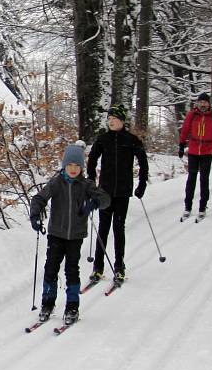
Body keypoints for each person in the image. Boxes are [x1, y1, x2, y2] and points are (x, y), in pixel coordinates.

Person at [30, 143, 110, 325]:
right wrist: (35, 215)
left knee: (71, 271)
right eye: (70, 165)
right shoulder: (56, 183)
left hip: (76, 236)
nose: (73, 169)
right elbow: (39, 198)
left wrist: (94, 203)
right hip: (56, 234)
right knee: (51, 268)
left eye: (77, 166)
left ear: (81, 167)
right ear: (64, 166)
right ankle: (47, 303)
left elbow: (105, 199)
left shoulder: (86, 184)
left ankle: (72, 306)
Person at [86, 105, 149, 286]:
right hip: (104, 191)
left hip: (122, 191)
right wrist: (91, 181)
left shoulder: (131, 140)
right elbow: (92, 159)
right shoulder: (103, 139)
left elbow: (143, 163)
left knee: (118, 229)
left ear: (122, 121)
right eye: (109, 118)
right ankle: (98, 268)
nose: (111, 121)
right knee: (103, 229)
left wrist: (141, 184)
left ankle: (119, 267)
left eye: (114, 118)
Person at [178, 92, 212, 219]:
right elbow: (185, 130)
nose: (203, 104)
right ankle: (187, 207)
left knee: (204, 180)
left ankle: (202, 207)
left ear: (209, 103)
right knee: (191, 180)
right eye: (201, 102)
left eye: (205, 102)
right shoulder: (192, 115)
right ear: (197, 103)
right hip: (193, 151)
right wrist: (181, 145)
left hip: (207, 152)